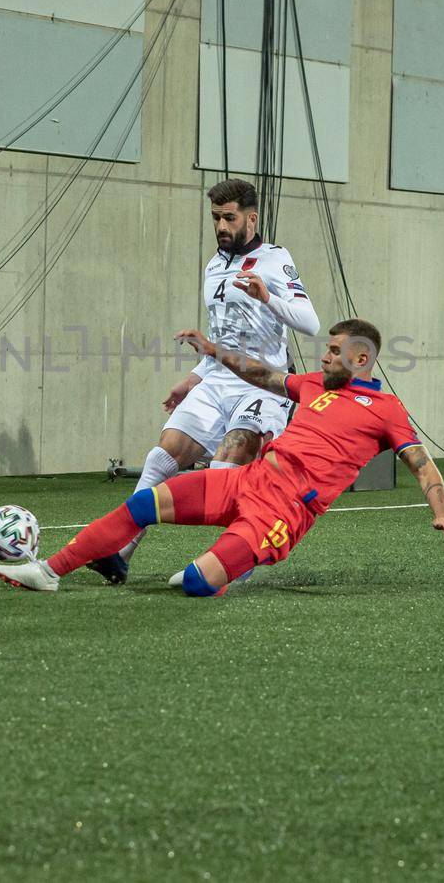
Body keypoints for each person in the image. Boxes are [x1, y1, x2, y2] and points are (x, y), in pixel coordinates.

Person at [0, 319, 444, 594]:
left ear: (362, 360)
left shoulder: (386, 410)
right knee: (144, 504)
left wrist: (442, 513)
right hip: (249, 480)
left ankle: (234, 562)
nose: (324, 359)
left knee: (195, 584)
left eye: (335, 353)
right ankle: (48, 572)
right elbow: (261, 374)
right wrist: (215, 352)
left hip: (285, 511)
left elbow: (422, 464)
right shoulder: (315, 386)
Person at [87, 178, 322, 585]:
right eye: (215, 218)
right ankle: (120, 553)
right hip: (218, 380)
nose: (221, 226)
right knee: (164, 455)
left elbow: (311, 324)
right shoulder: (214, 266)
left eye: (229, 218)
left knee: (228, 462)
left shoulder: (275, 260)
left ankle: (231, 562)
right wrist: (193, 379)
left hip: (263, 385)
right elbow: (222, 341)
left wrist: (269, 298)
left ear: (251, 217)